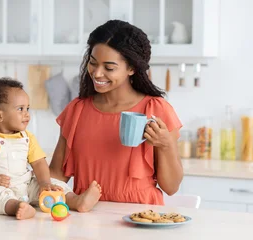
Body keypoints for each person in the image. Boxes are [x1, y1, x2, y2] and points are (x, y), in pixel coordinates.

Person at [49, 20, 183, 206]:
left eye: (109, 68)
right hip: (86, 219)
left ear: (132, 68)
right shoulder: (77, 110)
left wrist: (165, 145)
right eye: (93, 63)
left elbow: (171, 187)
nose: (96, 73)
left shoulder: (155, 109)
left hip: (139, 217)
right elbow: (55, 176)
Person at [0, 78, 102, 220]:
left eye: (27, 108)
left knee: (56, 185)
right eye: (20, 109)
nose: (27, 114)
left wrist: (45, 183)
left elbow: (39, 163)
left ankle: (75, 201)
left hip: (26, 185)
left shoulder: (27, 137)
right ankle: (16, 207)